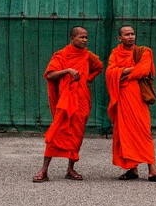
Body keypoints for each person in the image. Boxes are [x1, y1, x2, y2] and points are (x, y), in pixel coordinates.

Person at [33, 26, 103, 183]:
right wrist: (67, 71)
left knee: (76, 134)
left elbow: (99, 67)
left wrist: (88, 78)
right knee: (56, 133)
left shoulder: (87, 55)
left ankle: (70, 169)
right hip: (65, 101)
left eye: (86, 37)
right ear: (72, 38)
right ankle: (44, 170)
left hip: (82, 99)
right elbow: (50, 75)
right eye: (81, 37)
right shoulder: (61, 55)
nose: (85, 40)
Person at [106, 25, 156, 182]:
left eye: (132, 34)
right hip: (122, 97)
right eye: (126, 34)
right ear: (119, 38)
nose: (130, 37)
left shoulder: (144, 51)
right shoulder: (115, 53)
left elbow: (143, 70)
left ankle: (152, 169)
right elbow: (109, 72)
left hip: (138, 96)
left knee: (143, 131)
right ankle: (133, 169)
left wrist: (123, 73)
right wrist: (129, 70)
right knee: (125, 132)